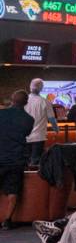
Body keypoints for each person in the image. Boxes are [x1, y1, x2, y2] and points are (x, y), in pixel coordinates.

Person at [0, 91, 34, 226]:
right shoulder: (29, 119)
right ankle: (7, 220)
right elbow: (26, 133)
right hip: (16, 158)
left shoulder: (1, 114)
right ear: (26, 102)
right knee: (13, 190)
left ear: (12, 100)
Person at [25, 79, 57, 167]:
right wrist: (56, 129)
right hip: (38, 137)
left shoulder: (24, 100)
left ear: (30, 87)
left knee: (25, 161)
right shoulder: (45, 102)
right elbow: (52, 119)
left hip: (25, 136)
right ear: (41, 88)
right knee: (35, 162)